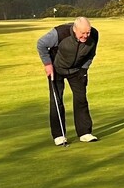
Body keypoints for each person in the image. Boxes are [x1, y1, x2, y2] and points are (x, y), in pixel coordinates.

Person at [37, 16, 100, 145]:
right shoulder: (59, 33)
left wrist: (84, 69)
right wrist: (48, 64)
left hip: (77, 70)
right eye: (83, 33)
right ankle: (59, 135)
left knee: (81, 99)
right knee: (56, 100)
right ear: (75, 29)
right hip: (56, 68)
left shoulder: (94, 34)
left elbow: (91, 54)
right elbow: (41, 44)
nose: (86, 36)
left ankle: (85, 132)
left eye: (87, 32)